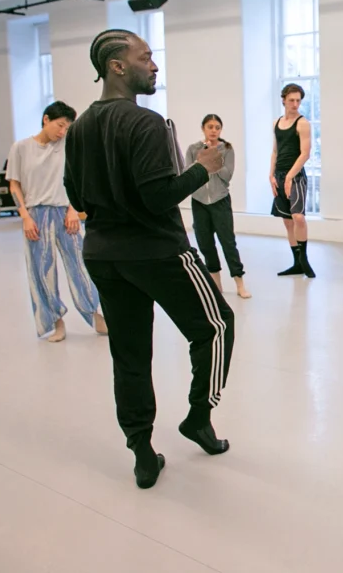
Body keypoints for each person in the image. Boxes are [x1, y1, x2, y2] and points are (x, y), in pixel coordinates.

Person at [65, 29, 235, 490]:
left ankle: (142, 452)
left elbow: (76, 195)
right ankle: (198, 417)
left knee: (130, 355)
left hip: (103, 255)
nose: (154, 66)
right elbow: (160, 197)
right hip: (158, 253)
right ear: (117, 66)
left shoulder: (78, 126)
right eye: (147, 58)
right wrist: (205, 167)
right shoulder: (148, 123)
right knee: (218, 326)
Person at [6, 100, 107, 342]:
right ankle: (55, 322)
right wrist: (25, 217)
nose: (62, 132)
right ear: (46, 120)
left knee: (82, 267)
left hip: (65, 213)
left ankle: (98, 317)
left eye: (66, 128)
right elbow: (14, 184)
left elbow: (78, 179)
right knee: (42, 270)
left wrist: (74, 210)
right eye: (59, 126)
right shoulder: (21, 148)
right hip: (36, 215)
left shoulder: (67, 146)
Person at [185, 114, 251, 299]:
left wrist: (214, 162)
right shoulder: (193, 149)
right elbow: (187, 173)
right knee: (205, 243)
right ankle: (216, 283)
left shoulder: (227, 149)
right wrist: (202, 160)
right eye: (210, 127)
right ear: (203, 128)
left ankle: (239, 283)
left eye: (217, 127)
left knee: (228, 241)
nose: (213, 130)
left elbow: (227, 175)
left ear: (220, 130)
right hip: (199, 201)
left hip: (220, 200)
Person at [271, 83, 315, 278]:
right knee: (288, 221)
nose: (295, 104)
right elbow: (275, 150)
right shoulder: (277, 122)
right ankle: (296, 262)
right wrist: (271, 175)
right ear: (283, 100)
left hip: (295, 175)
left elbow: (305, 153)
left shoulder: (303, 123)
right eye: (292, 100)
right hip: (279, 175)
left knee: (298, 217)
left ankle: (304, 258)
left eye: (298, 100)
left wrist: (290, 176)